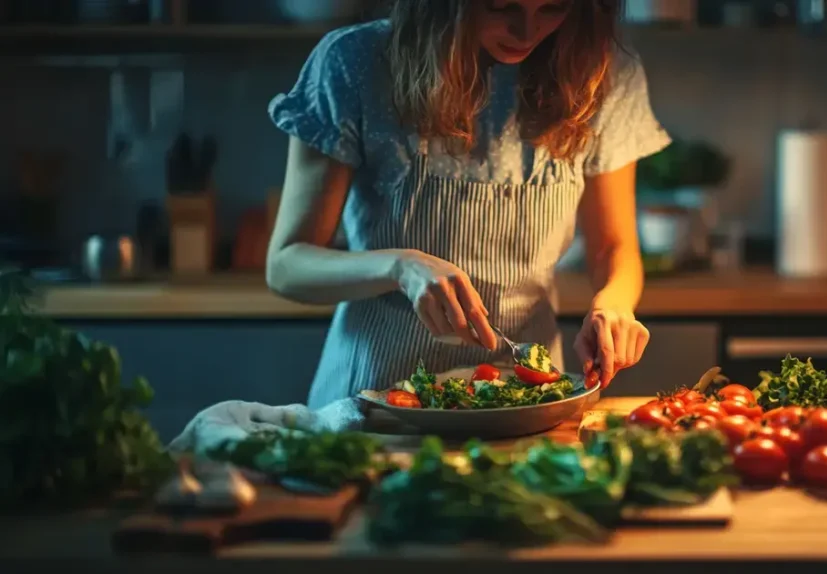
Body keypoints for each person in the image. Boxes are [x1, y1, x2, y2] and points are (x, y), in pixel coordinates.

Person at [266, 0, 671, 410]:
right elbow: (287, 265)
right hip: (378, 400)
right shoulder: (355, 63)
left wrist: (614, 303)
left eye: (553, 8)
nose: (526, 30)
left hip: (527, 400)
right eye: (500, 7)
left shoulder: (602, 71)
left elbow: (612, 248)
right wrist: (400, 266)